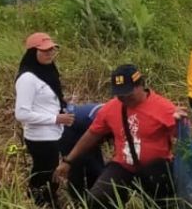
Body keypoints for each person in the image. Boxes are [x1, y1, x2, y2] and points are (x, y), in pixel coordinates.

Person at [55, 64, 182, 208]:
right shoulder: (111, 108)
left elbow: (185, 141)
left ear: (140, 85)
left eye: (128, 94)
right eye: (120, 95)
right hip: (123, 166)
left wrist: (181, 124)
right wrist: (69, 160)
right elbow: (92, 134)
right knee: (98, 199)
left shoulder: (164, 108)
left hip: (156, 169)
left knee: (162, 204)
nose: (124, 99)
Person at [14, 32, 73, 207]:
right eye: (44, 51)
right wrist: (55, 118)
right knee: (44, 175)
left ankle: (48, 201)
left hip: (53, 134)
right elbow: (22, 114)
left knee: (51, 175)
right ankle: (41, 203)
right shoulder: (27, 78)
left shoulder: (48, 71)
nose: (49, 54)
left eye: (51, 50)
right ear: (33, 52)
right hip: (40, 137)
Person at [60, 102, 106, 205]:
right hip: (68, 131)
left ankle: (94, 201)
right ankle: (78, 203)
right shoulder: (109, 115)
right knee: (75, 170)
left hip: (84, 128)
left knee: (96, 170)